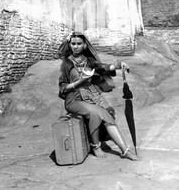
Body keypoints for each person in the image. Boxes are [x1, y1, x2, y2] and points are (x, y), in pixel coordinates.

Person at [58, 31, 139, 161]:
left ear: (85, 45)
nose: (76, 46)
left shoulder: (89, 61)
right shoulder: (66, 63)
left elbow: (104, 68)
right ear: (70, 45)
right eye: (73, 44)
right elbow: (62, 87)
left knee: (105, 114)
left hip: (91, 96)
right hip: (74, 99)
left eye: (79, 44)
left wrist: (119, 65)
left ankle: (125, 150)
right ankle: (96, 146)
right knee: (96, 112)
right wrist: (80, 81)